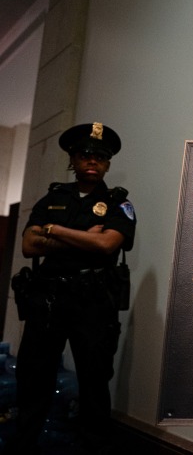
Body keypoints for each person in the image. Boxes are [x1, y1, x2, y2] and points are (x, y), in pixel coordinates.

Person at [5, 122, 136, 454]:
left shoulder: (118, 203)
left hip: (94, 301)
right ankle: (24, 446)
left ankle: (93, 447)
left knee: (94, 381)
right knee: (34, 377)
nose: (92, 161)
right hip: (48, 299)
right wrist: (82, 238)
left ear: (107, 164)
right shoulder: (53, 198)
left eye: (100, 157)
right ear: (73, 160)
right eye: (84, 155)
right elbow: (29, 246)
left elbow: (107, 245)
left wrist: (54, 231)